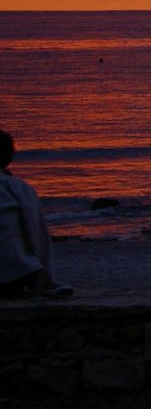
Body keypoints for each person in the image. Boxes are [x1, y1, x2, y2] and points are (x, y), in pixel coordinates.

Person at [0, 128, 73, 299]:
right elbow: (38, 236)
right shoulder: (20, 188)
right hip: (16, 276)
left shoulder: (15, 188)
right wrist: (43, 279)